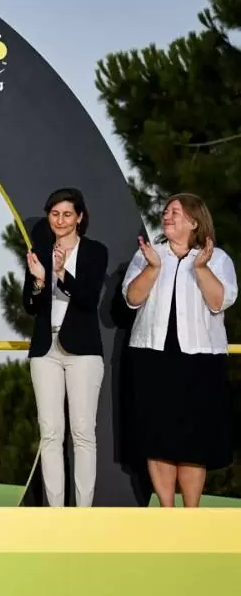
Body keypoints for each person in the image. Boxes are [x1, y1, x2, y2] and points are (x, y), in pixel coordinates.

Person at [121, 193, 236, 507]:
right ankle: (167, 510)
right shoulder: (148, 254)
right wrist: (153, 268)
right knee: (157, 437)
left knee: (193, 440)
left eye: (175, 212)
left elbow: (219, 301)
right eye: (166, 211)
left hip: (200, 361)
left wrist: (201, 268)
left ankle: (191, 513)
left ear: (194, 222)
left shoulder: (217, 258)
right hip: (152, 357)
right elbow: (132, 298)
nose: (166, 216)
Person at [22, 188, 108, 507]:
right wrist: (40, 281)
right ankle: (55, 512)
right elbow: (30, 305)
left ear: (79, 218)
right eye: (55, 214)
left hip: (83, 352)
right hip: (45, 351)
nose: (60, 220)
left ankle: (83, 512)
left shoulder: (95, 251)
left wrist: (61, 274)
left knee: (83, 432)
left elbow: (88, 298)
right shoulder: (39, 251)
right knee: (50, 432)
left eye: (67, 214)